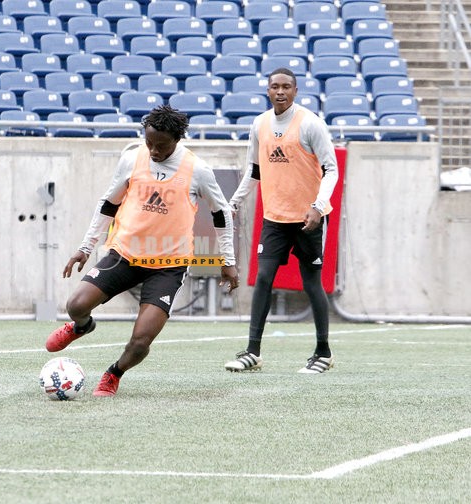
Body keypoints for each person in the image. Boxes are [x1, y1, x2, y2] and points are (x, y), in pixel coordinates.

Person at [46, 105, 239, 397]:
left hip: (168, 267)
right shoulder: (132, 158)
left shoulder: (197, 170)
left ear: (177, 140)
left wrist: (228, 260)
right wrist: (85, 247)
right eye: (149, 143)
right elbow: (108, 204)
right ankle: (81, 327)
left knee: (140, 342)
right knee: (76, 305)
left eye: (161, 146)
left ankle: (113, 374)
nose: (154, 151)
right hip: (124, 255)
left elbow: (221, 213)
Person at [224, 67, 339, 374]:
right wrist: (234, 202)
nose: (280, 91)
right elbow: (254, 170)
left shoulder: (310, 123)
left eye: (286, 86)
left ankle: (323, 352)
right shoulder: (260, 124)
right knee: (263, 278)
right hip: (274, 218)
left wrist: (318, 206)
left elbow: (331, 169)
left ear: (295, 91)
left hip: (308, 218)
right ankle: (252, 352)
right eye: (275, 86)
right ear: (268, 90)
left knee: (311, 282)